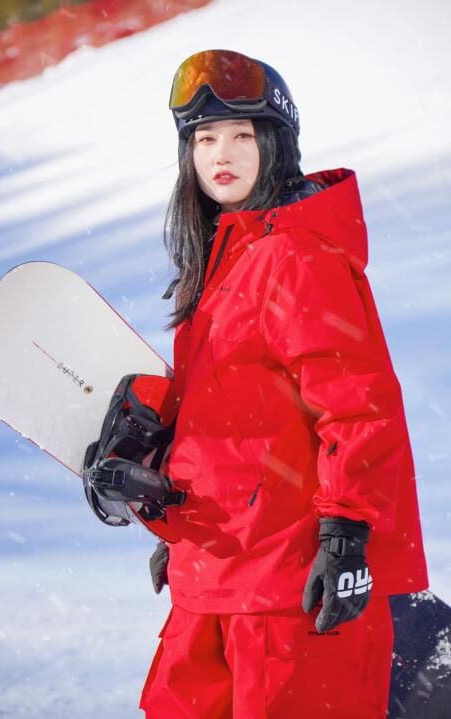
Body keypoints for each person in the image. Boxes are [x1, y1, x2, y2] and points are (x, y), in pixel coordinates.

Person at [136, 49, 428, 718]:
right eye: (204, 139)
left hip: (288, 591)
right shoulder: (223, 262)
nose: (221, 153)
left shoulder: (295, 256)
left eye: (242, 135)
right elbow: (228, 426)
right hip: (213, 576)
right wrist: (175, 519)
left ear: (275, 144)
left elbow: (358, 408)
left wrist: (346, 534)